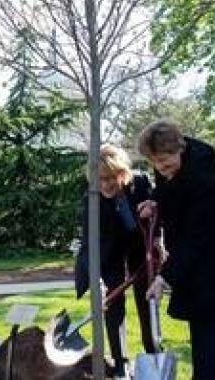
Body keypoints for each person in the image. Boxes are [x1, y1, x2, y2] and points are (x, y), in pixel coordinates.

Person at [137, 120, 215, 380]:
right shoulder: (174, 166)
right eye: (156, 163)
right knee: (198, 316)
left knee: (208, 318)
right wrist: (155, 201)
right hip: (197, 253)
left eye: (166, 162)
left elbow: (196, 237)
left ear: (179, 149)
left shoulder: (205, 179)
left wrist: (164, 276)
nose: (161, 168)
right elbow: (169, 189)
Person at [74, 144, 156, 379]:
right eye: (99, 179)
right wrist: (96, 280)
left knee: (146, 300)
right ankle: (121, 363)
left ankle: (152, 354)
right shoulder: (92, 199)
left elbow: (158, 220)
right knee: (113, 305)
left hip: (140, 248)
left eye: (110, 178)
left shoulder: (140, 184)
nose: (105, 185)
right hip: (109, 252)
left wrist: (157, 244)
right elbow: (91, 244)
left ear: (122, 173)